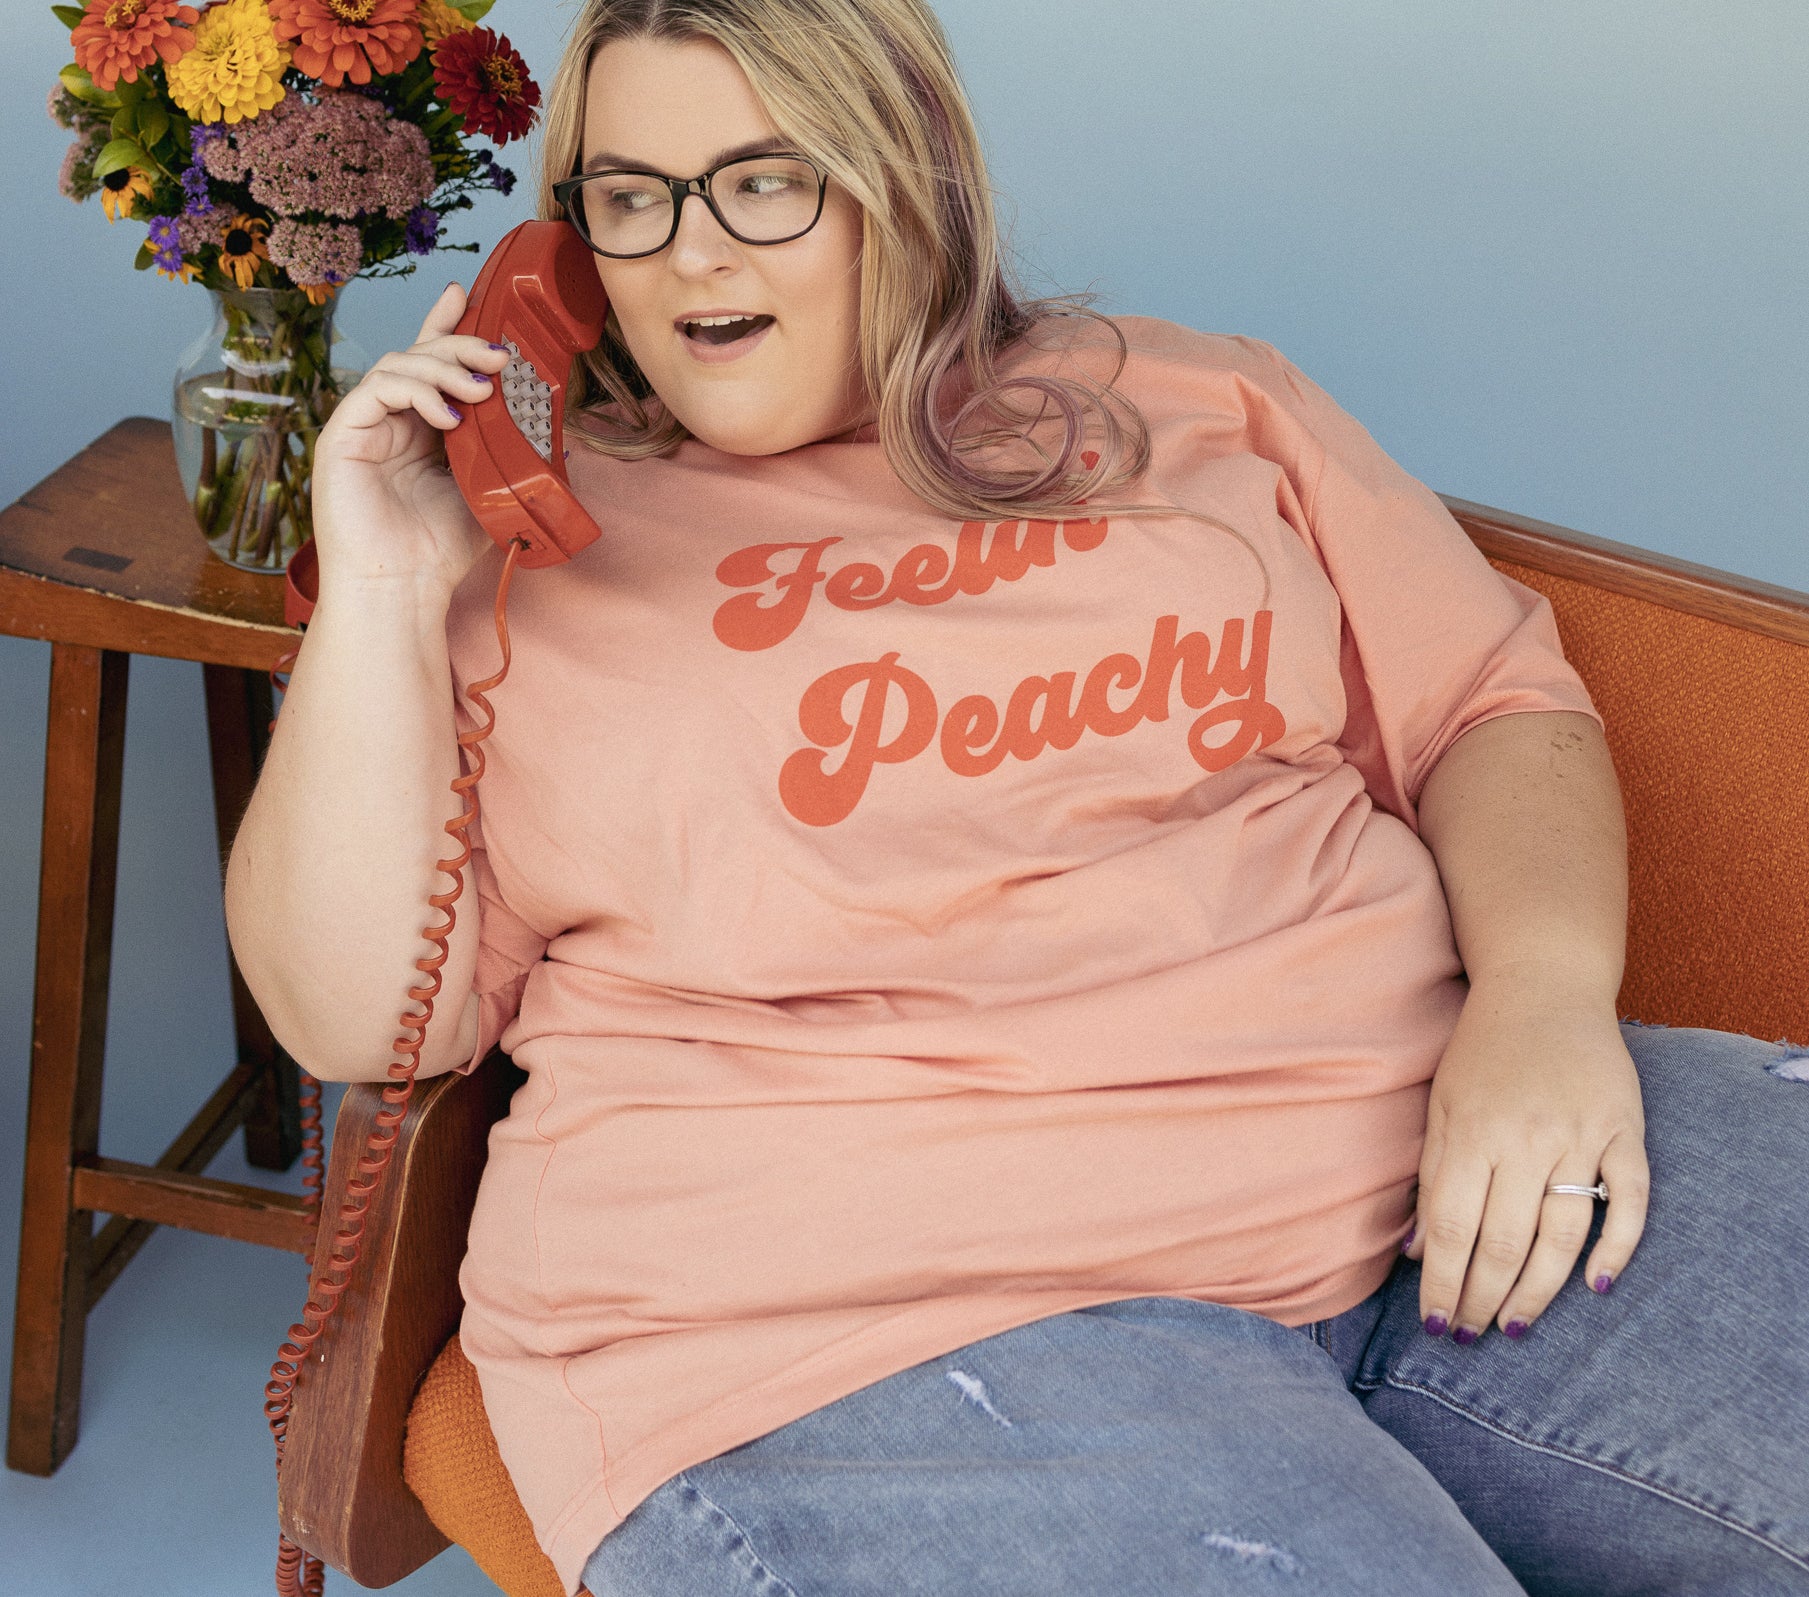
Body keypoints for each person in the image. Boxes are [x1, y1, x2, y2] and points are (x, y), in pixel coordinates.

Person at [223, 1, 1809, 1593]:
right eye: (631, 197)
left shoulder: (1203, 403)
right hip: (879, 1326)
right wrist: (377, 582)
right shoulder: (524, 552)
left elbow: (1491, 704)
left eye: (763, 182)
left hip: (1430, 1186)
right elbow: (358, 1016)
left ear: (906, 180)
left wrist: (1540, 1001)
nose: (691, 253)